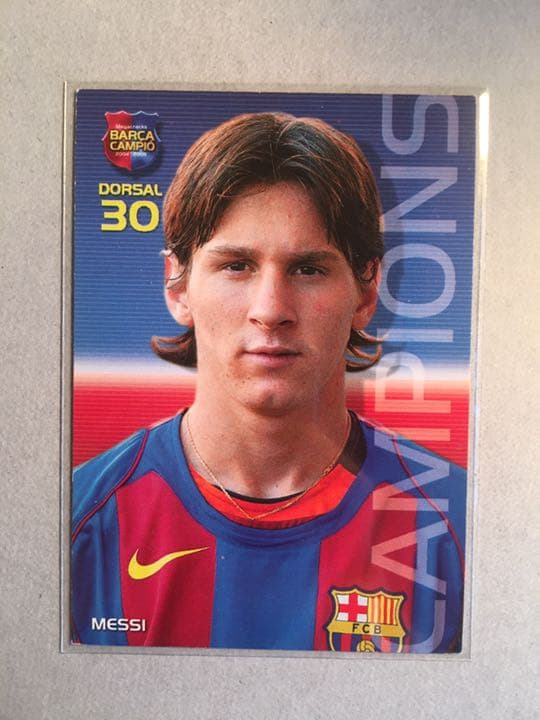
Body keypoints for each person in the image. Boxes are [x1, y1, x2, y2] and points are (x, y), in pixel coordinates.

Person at [71, 112, 465, 653]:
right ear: (177, 287)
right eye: (236, 266)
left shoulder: (460, 527)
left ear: (367, 291)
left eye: (308, 269)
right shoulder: (77, 522)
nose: (271, 309)